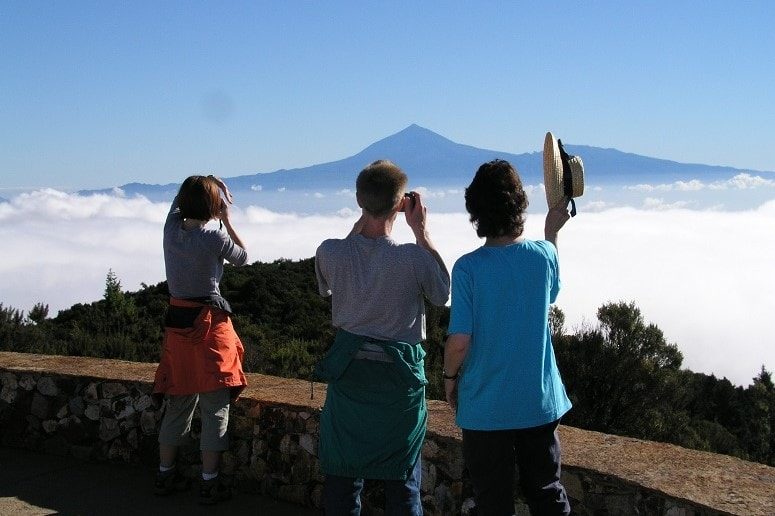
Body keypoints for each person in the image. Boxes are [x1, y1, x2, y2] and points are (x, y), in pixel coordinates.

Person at [314, 160, 450, 515]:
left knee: (342, 479)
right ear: (400, 204)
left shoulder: (329, 251)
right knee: (402, 483)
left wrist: (362, 221)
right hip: (398, 388)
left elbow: (330, 279)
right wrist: (421, 232)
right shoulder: (412, 258)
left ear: (359, 201)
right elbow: (442, 293)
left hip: (350, 383)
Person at [444, 159, 573, 515]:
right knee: (547, 491)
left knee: (492, 502)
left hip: (485, 406)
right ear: (519, 205)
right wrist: (552, 233)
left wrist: (449, 379)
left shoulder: (468, 268)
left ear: (476, 211)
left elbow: (459, 341)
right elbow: (551, 291)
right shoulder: (544, 256)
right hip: (538, 399)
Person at [152, 175, 249, 505]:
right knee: (214, 408)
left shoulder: (170, 229)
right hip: (210, 329)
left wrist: (205, 186)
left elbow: (177, 204)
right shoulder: (213, 238)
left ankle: (165, 474)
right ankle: (209, 483)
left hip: (177, 327)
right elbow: (243, 257)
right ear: (215, 207)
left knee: (178, 404)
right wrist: (227, 220)